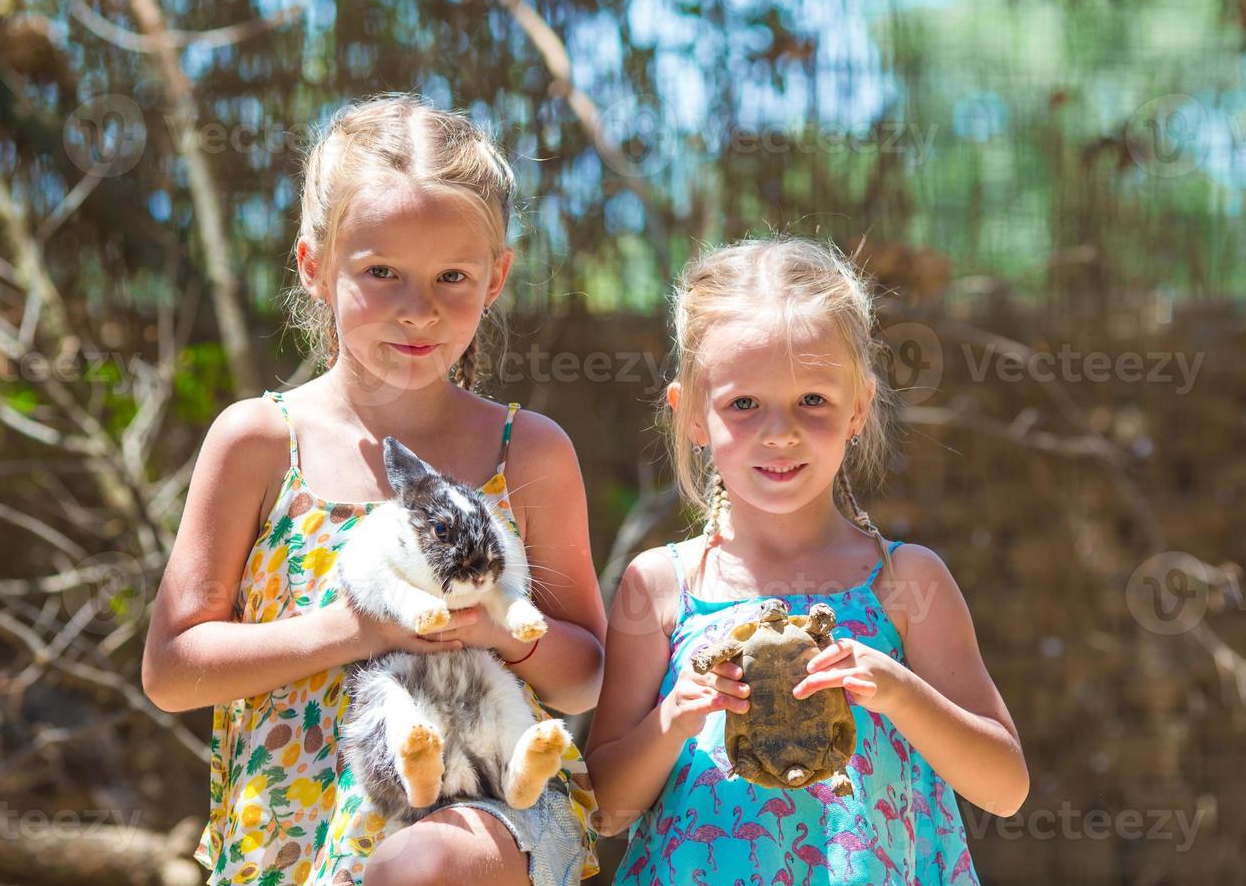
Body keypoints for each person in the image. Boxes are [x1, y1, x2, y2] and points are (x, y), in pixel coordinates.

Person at [142, 94, 605, 886]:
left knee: (424, 867)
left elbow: (586, 670)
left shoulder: (525, 451)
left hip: (484, 812)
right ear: (314, 266)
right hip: (293, 825)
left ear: (496, 279)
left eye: (451, 276)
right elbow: (174, 668)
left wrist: (495, 631)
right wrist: (354, 628)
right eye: (381, 272)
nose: (417, 308)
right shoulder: (259, 443)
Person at [586, 236, 1028, 883]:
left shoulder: (906, 583)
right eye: (744, 404)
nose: (781, 431)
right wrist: (674, 719)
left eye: (812, 401)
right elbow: (606, 810)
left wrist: (902, 694)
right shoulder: (660, 586)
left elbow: (1004, 788)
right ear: (692, 417)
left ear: (859, 408)